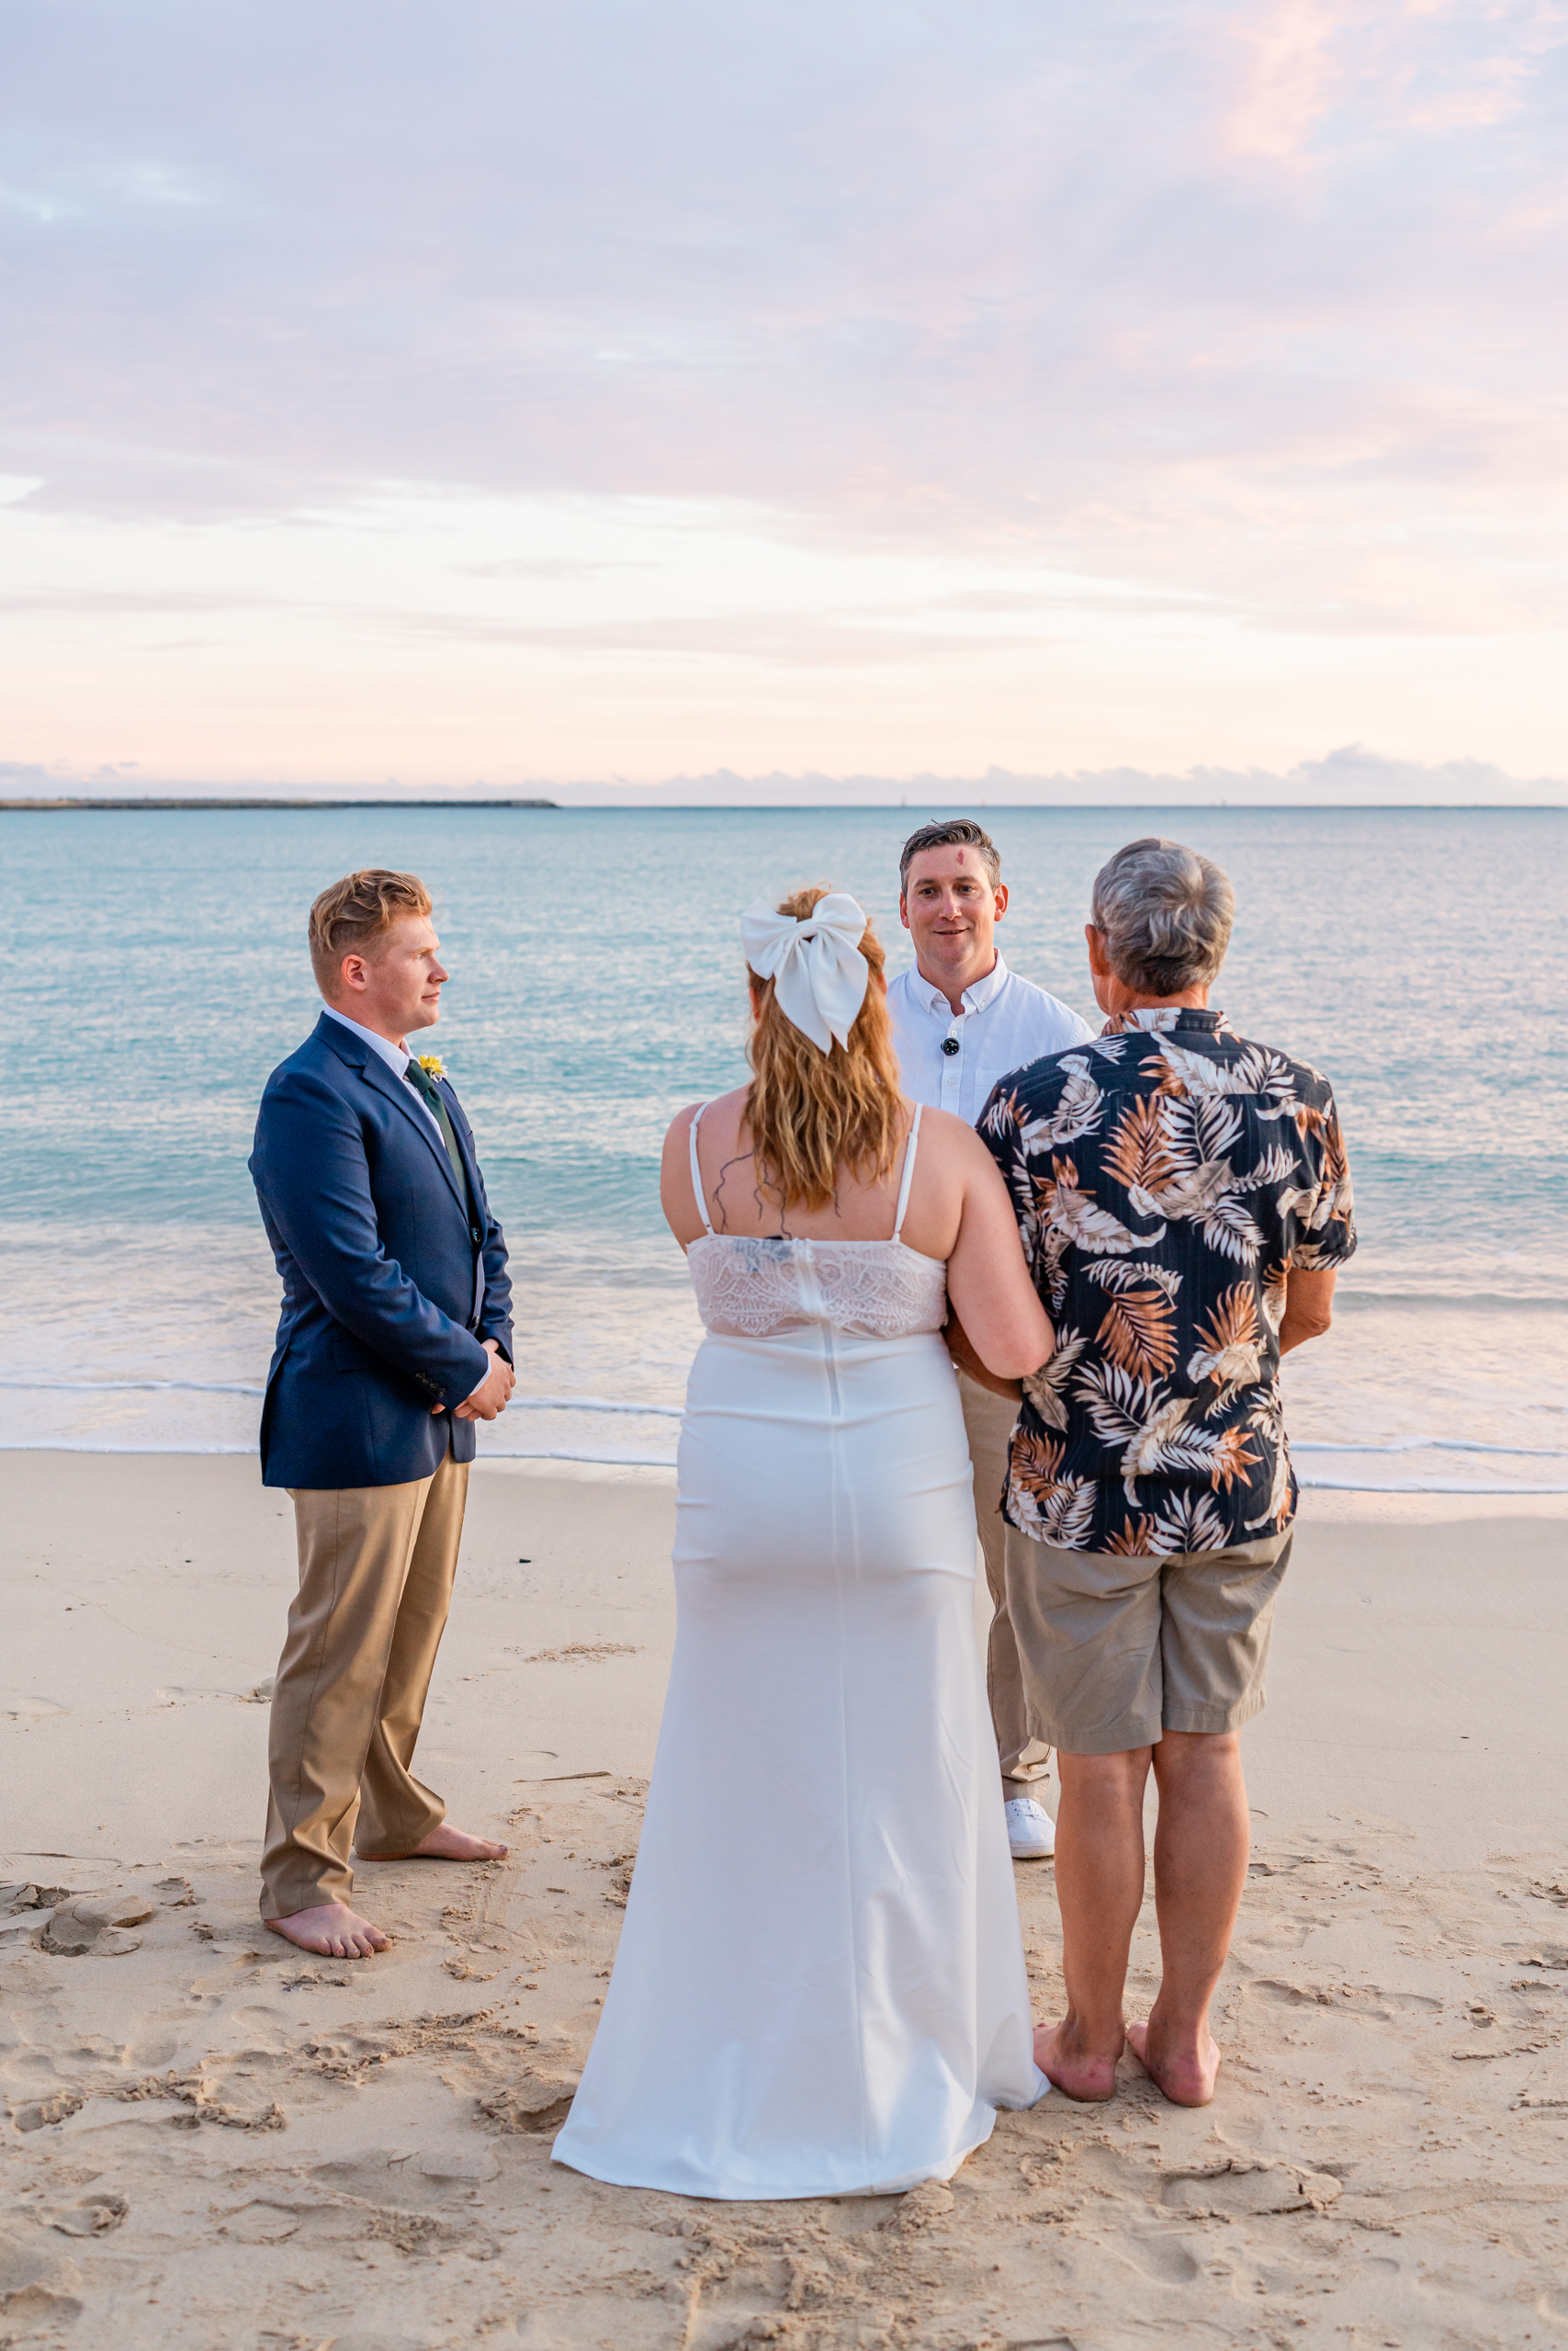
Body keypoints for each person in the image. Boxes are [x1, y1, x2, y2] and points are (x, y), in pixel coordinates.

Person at [552, 886, 1056, 2198]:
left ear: (756, 1000)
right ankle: (914, 2041)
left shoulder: (689, 1144)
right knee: (910, 1774)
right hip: (891, 1495)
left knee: (737, 1773)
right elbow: (1008, 1351)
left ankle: (715, 2041)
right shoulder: (935, 1150)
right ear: (876, 1001)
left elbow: (741, 1289)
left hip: (736, 1491)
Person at [968, 836, 1356, 2108]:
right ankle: (1181, 2037)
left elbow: (990, 1323)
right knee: (1206, 1755)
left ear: (1095, 948)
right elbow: (1306, 1312)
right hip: (1236, 1478)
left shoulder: (1028, 1099)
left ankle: (1085, 2037)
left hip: (1078, 1482)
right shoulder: (1298, 1093)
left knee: (1093, 1767)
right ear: (1216, 952)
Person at [248, 869, 516, 1961]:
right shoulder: (308, 1091)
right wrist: (462, 1367)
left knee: (412, 1631)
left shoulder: (426, 1080)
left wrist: (492, 1346)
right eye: (421, 952)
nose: (441, 967)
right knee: (338, 1649)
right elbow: (349, 1273)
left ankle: (397, 1815)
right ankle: (299, 1875)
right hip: (355, 1415)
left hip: (440, 1409)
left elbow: (481, 1229)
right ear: (358, 972)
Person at [886, 819, 1093, 1864]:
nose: (948, 908)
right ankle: (903, 1761)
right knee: (893, 1558)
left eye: (965, 887)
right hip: (884, 1340)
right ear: (904, 908)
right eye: (928, 890)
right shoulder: (860, 1029)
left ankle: (1014, 1775)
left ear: (1000, 902)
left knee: (1013, 1563)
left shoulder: (1057, 1031)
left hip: (1000, 1348)